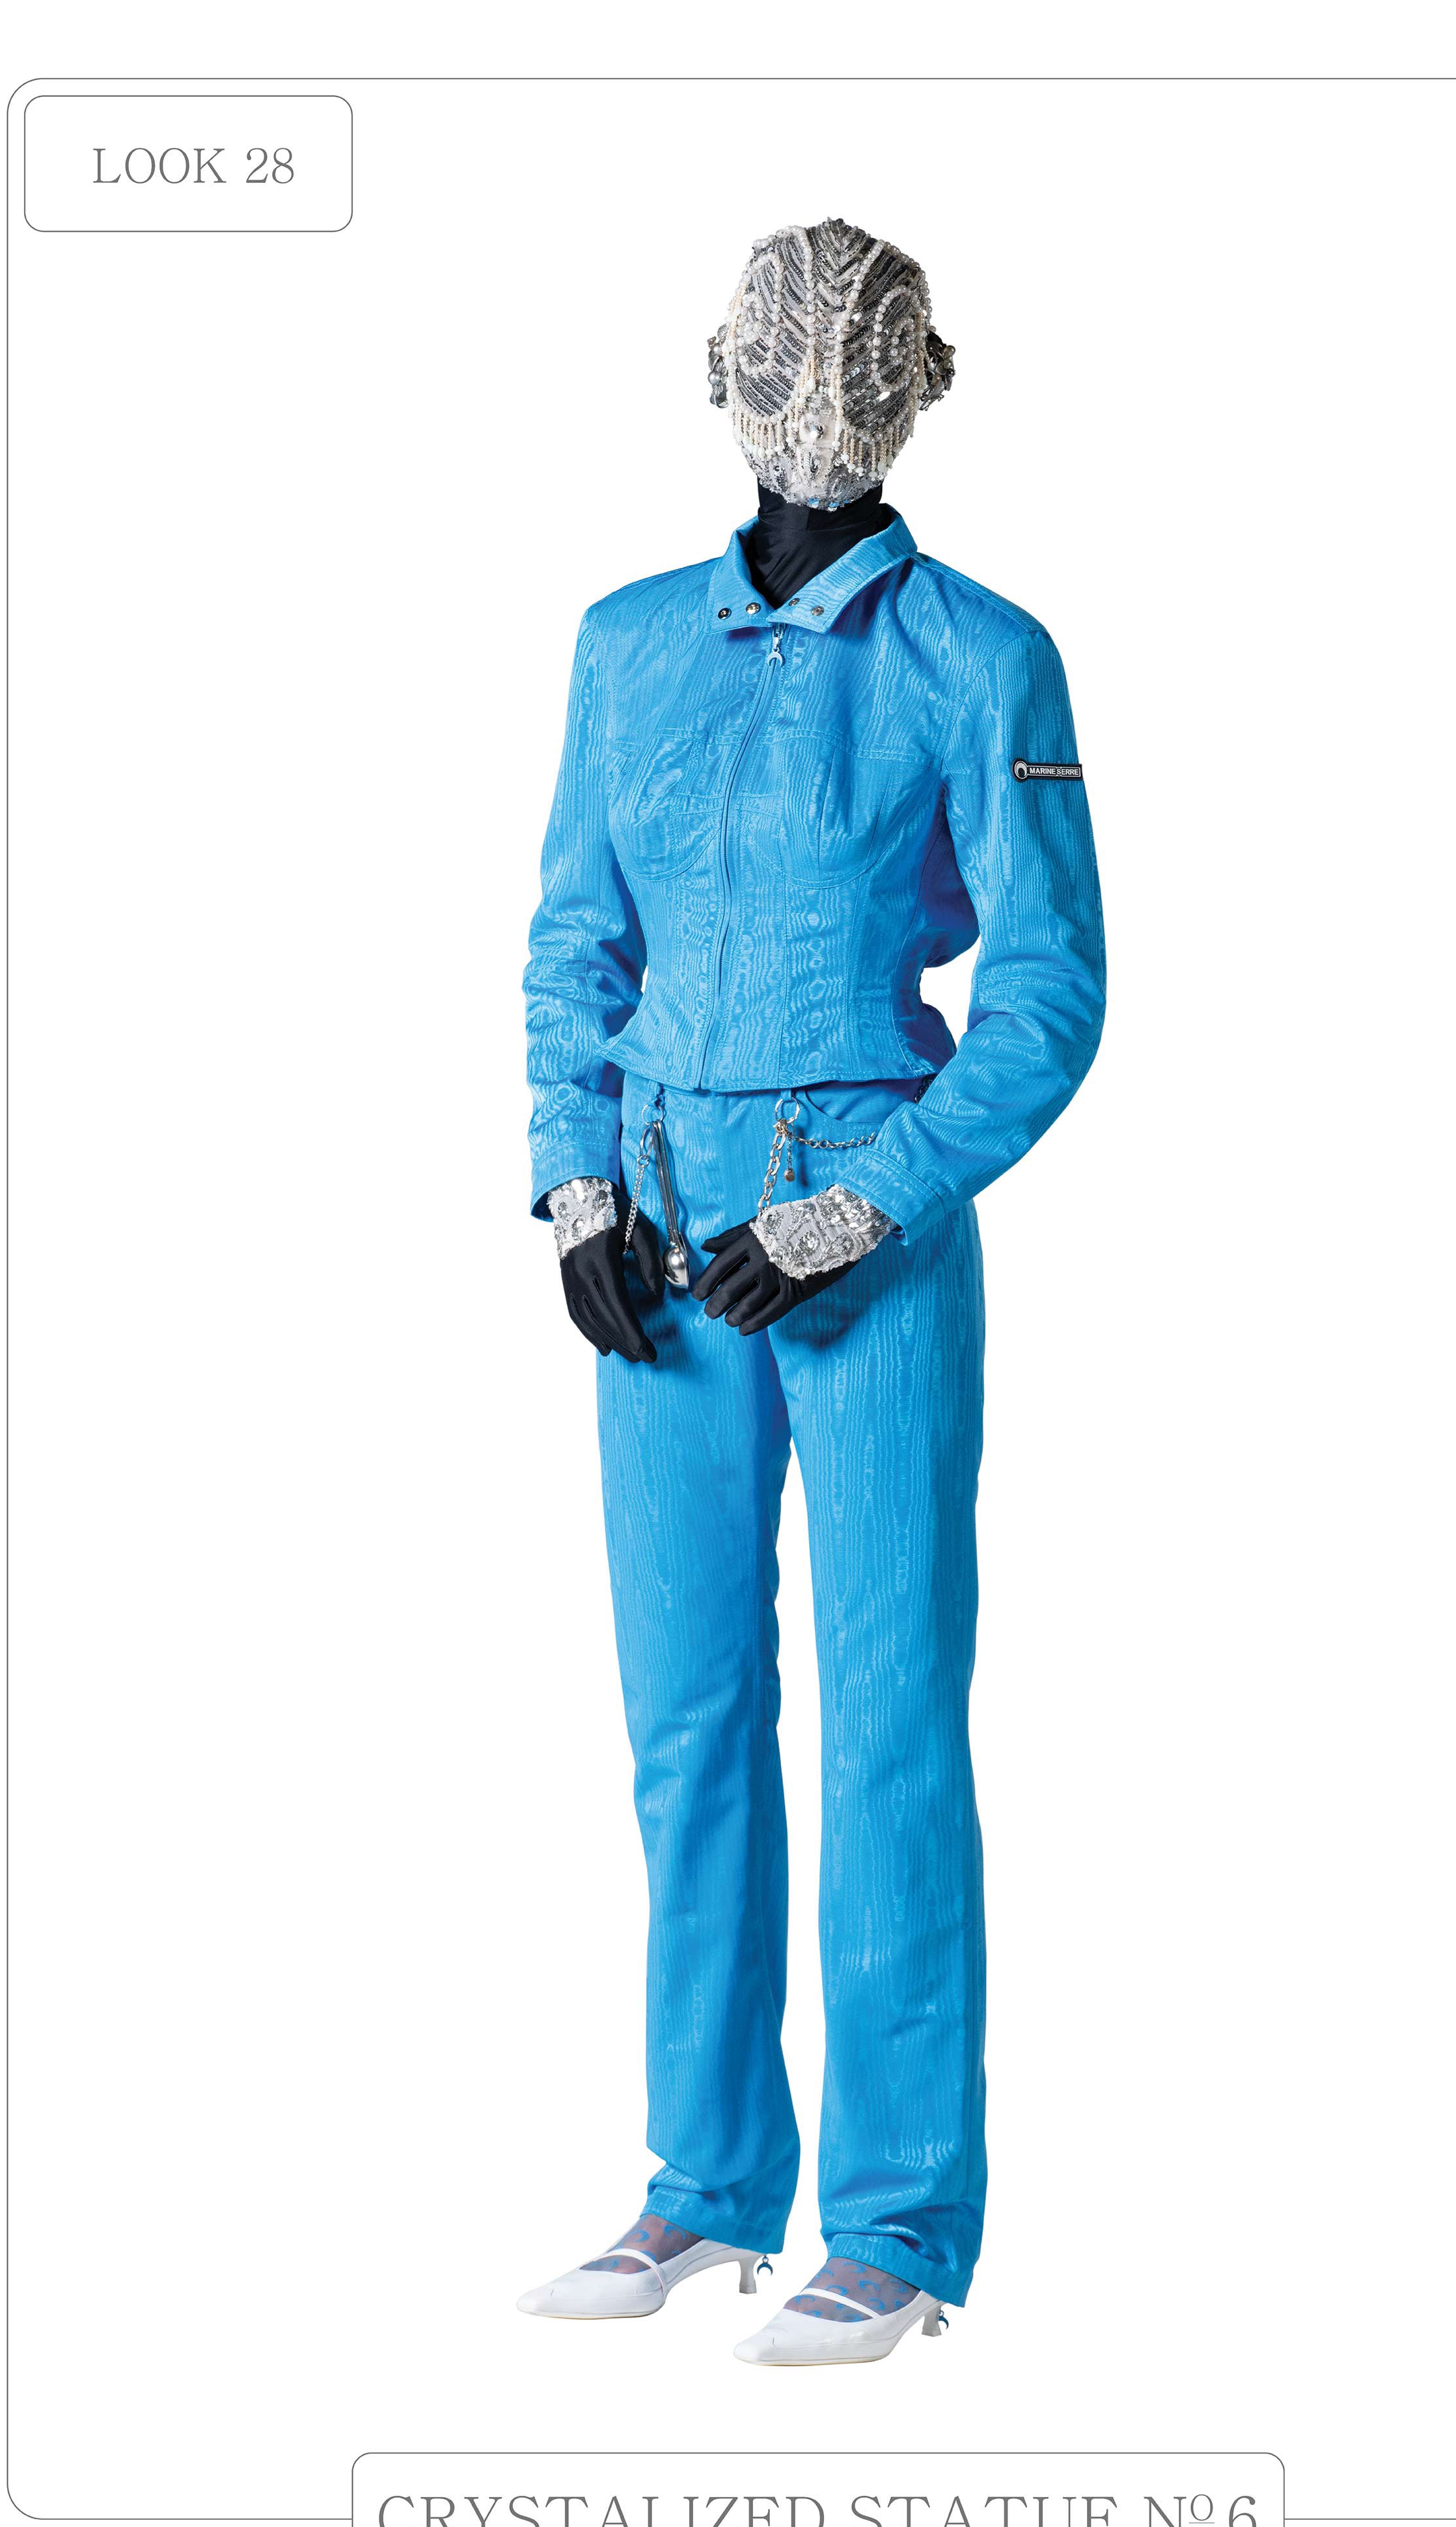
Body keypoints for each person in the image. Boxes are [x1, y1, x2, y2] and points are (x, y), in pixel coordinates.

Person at [517, 218, 1104, 2366]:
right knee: (685, 1721)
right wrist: (573, 1183)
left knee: (886, 1723)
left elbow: (1044, 994)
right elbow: (574, 936)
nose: (812, 405)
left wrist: (860, 1209)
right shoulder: (624, 645)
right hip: (662, 1237)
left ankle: (900, 2217)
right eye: (780, 362)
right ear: (717, 374)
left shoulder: (978, 654)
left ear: (920, 385)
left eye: (851, 367)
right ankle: (702, 2181)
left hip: (861, 1236)